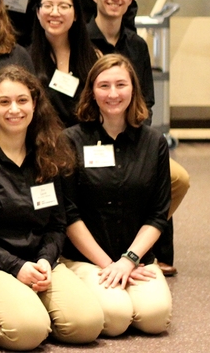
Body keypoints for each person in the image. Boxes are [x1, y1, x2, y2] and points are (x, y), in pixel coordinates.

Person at [0, 66, 104, 350]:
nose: (15, 109)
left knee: (88, 325)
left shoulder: (49, 154)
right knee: (28, 332)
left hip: (41, 262)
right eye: (4, 101)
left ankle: (32, 307)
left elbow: (57, 224)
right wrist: (16, 267)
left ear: (35, 104)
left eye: (23, 100)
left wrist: (46, 261)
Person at [87, 0, 190, 275]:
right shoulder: (80, 40)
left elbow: (147, 100)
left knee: (178, 179)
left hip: (131, 136)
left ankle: (142, 242)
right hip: (91, 139)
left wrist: (137, 145)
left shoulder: (137, 45)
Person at [62, 54, 173, 337]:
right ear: (92, 92)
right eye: (104, 86)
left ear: (133, 89)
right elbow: (69, 214)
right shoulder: (71, 140)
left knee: (155, 319)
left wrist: (129, 260)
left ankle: (125, 287)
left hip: (135, 257)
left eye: (121, 85)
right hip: (87, 258)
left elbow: (158, 213)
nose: (113, 94)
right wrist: (108, 265)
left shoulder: (154, 143)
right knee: (115, 318)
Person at [30, 0, 98, 126]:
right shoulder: (25, 58)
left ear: (75, 14)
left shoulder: (94, 57)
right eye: (48, 6)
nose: (55, 12)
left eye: (63, 6)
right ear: (38, 12)